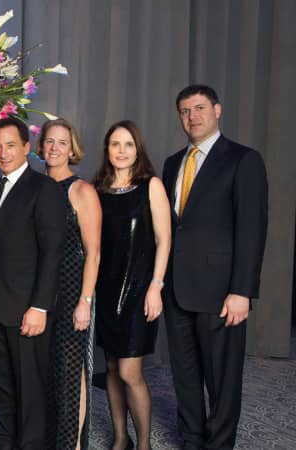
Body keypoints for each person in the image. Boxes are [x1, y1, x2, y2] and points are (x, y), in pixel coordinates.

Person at [162, 85, 268, 450]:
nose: (193, 116)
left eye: (200, 107)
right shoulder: (173, 163)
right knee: (185, 375)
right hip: (177, 288)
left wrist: (242, 290)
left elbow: (252, 231)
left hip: (221, 291)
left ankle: (219, 445)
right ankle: (192, 440)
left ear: (217, 110)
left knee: (222, 379)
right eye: (185, 110)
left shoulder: (243, 160)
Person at [0, 117, 67, 449]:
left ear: (27, 148)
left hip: (28, 307)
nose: (4, 153)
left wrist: (40, 306)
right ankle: (6, 440)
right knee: (1, 381)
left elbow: (52, 252)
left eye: (11, 146)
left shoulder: (43, 189)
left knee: (31, 386)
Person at [92, 120, 171, 450]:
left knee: (129, 372)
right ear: (107, 150)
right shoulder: (97, 189)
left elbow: (164, 240)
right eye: (115, 144)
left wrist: (156, 286)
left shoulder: (150, 185)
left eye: (127, 144)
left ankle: (144, 444)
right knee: (110, 367)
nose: (121, 151)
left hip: (139, 290)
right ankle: (121, 438)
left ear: (137, 149)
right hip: (106, 289)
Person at [39, 119, 102, 450]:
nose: (54, 148)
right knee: (46, 371)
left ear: (71, 148)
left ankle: (72, 445)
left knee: (70, 371)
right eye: (49, 141)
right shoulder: (35, 187)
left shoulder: (82, 191)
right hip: (41, 293)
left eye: (62, 143)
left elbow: (94, 253)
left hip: (72, 291)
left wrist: (85, 301)